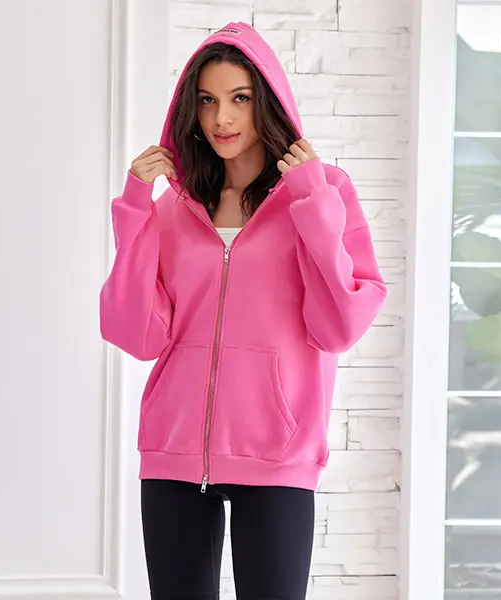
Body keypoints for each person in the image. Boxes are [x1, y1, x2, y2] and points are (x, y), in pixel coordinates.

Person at [100, 21, 388, 600]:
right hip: (175, 455)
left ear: (269, 102)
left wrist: (310, 199)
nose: (221, 118)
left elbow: (339, 326)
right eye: (208, 100)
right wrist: (136, 207)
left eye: (240, 98)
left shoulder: (324, 192)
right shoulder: (175, 207)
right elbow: (136, 333)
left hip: (278, 455)